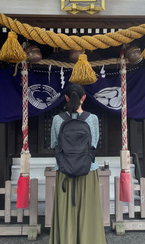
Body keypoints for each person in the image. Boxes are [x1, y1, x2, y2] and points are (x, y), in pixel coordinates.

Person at [49, 83, 107, 244]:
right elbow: (93, 144)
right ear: (84, 98)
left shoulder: (57, 120)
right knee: (88, 211)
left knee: (66, 211)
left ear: (66, 98)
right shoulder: (93, 119)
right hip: (88, 170)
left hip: (64, 171)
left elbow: (55, 144)